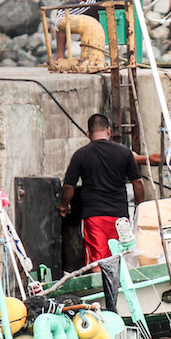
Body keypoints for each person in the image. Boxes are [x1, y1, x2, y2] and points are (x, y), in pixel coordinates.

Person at [60, 113, 146, 265]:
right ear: (108, 131)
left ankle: (101, 288)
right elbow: (138, 183)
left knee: (98, 261)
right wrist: (140, 205)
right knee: (122, 258)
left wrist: (64, 205)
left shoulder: (80, 155)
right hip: (119, 217)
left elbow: (68, 186)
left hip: (94, 217)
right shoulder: (124, 152)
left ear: (88, 133)